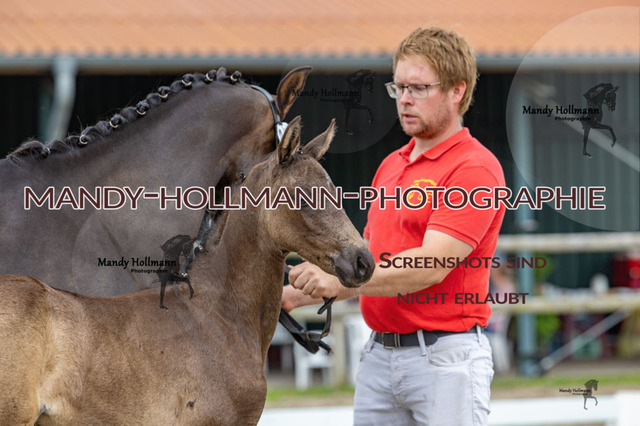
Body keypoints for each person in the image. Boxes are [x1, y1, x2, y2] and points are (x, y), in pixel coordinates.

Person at [282, 25, 506, 425]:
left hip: (445, 361)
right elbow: (369, 264)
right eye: (398, 87)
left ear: (457, 91)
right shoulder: (390, 166)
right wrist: (291, 297)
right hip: (379, 358)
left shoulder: (475, 168)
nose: (404, 99)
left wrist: (338, 281)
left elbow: (433, 264)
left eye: (418, 88)